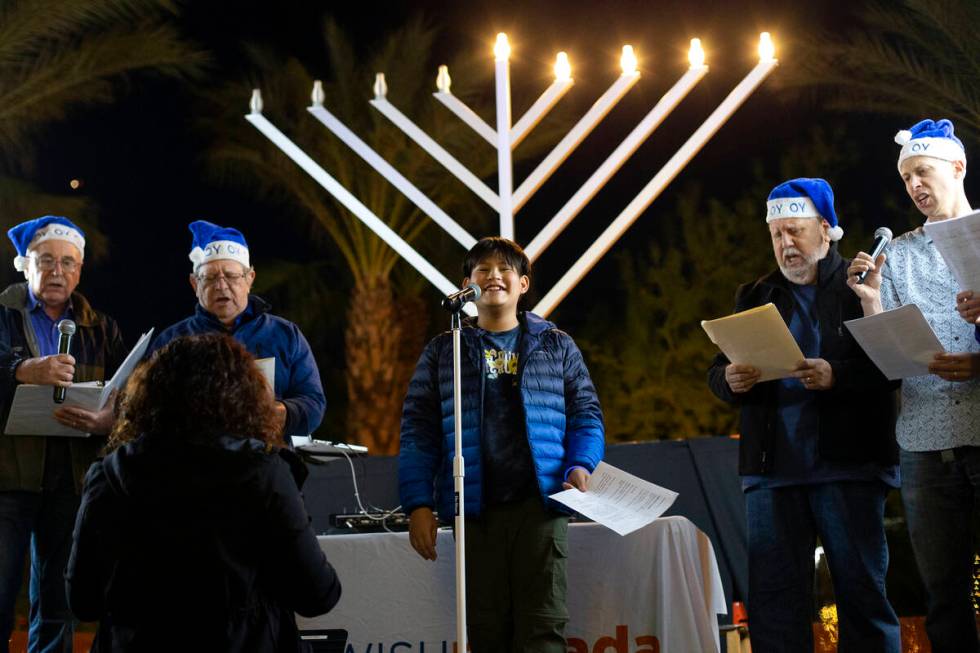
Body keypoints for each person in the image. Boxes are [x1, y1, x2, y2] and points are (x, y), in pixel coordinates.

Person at [707, 179, 901, 652]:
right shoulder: (753, 294)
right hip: (772, 475)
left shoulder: (862, 286)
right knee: (773, 609)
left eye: (795, 231)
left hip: (849, 468)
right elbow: (717, 371)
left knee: (862, 599)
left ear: (826, 230)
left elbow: (894, 369)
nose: (785, 244)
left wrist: (838, 375)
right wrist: (728, 380)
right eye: (776, 234)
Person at [66, 334, 341, 651]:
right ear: (244, 398)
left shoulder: (109, 475)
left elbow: (82, 602)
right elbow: (319, 595)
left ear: (147, 397)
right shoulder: (266, 472)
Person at [398, 237, 604, 653]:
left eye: (505, 269)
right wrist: (419, 503)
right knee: (487, 633)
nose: (494, 276)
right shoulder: (445, 349)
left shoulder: (556, 344)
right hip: (475, 511)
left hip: (541, 506)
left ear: (524, 284)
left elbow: (586, 414)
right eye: (483, 270)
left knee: (543, 630)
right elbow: (418, 431)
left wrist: (581, 464)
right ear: (466, 285)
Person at [847, 118, 980, 653]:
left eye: (923, 171)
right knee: (943, 592)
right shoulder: (897, 253)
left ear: (958, 166)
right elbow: (890, 360)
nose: (915, 186)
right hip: (925, 442)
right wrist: (872, 302)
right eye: (906, 179)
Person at [0, 215, 127, 653]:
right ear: (25, 264)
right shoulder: (2, 316)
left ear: (80, 270)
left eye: (68, 263)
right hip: (7, 478)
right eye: (47, 261)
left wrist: (112, 420)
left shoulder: (102, 326)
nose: (58, 272)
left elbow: (124, 393)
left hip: (73, 479)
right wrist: (19, 369)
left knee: (59, 600)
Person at [150, 220, 325, 437]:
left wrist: (277, 413)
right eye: (210, 277)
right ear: (195, 284)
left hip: (268, 461)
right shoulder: (172, 340)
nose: (221, 285)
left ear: (250, 278)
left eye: (231, 276)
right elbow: (145, 408)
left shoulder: (286, 335)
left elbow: (314, 403)